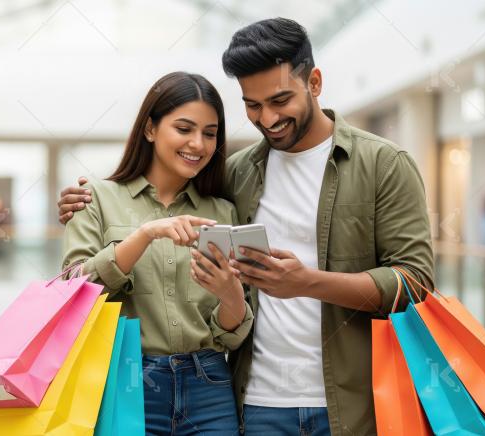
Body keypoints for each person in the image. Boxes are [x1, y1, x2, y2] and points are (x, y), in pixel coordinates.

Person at [57, 18, 434, 436]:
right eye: (252, 105)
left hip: (353, 405)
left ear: (314, 82)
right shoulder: (237, 175)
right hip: (253, 404)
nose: (268, 118)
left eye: (280, 100)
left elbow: (415, 283)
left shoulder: (384, 165)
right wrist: (95, 201)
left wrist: (307, 283)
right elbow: (134, 223)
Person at [61, 71, 253, 434]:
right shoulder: (95, 199)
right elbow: (73, 290)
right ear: (150, 129)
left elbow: (230, 333)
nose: (198, 144)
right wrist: (145, 234)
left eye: (209, 134)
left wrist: (232, 297)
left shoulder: (222, 213)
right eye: (184, 129)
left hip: (208, 384)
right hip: (127, 379)